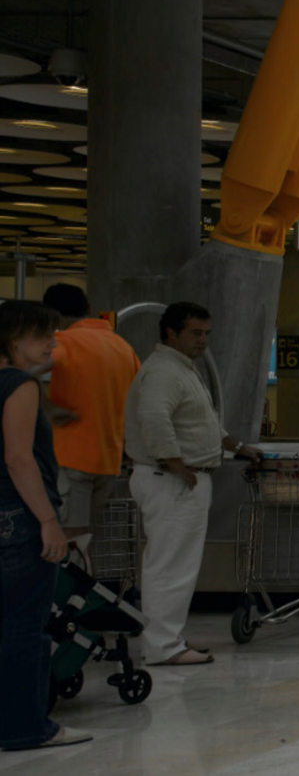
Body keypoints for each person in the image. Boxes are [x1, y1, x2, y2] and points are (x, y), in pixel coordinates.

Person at [124, 300, 256, 670]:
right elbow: (154, 420)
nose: (203, 341)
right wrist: (178, 467)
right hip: (170, 480)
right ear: (171, 333)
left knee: (177, 564)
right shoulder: (165, 371)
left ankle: (168, 639)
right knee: (169, 565)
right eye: (195, 333)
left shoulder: (181, 369)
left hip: (179, 478)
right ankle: (163, 646)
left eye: (207, 334)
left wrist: (235, 445)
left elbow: (201, 422)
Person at [2, 299, 86, 752]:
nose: (54, 345)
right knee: (24, 627)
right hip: (17, 519)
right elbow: (19, 459)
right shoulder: (19, 384)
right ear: (16, 341)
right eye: (44, 337)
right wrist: (50, 522)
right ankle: (26, 727)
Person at [40, 284, 137, 547]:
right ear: (90, 308)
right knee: (84, 540)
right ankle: (79, 585)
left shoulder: (64, 343)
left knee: (69, 540)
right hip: (109, 460)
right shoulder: (123, 348)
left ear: (51, 316)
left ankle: (68, 588)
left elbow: (21, 372)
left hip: (71, 457)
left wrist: (47, 406)